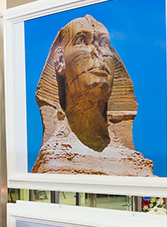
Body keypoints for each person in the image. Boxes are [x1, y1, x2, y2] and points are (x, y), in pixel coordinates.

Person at [32, 14, 153, 176]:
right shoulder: (54, 158)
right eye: (82, 40)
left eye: (104, 44)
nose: (97, 53)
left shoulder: (137, 163)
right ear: (60, 60)